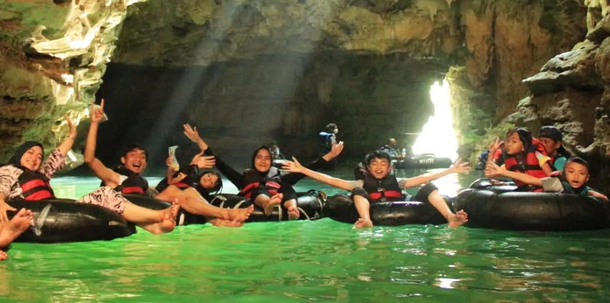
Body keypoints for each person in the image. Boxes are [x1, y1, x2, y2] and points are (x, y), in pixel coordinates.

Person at [0, 111, 179, 235]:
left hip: (52, 206)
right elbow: (0, 185)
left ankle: (153, 226)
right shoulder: (9, 170)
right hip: (29, 209)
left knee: (105, 194)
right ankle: (158, 216)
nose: (35, 158)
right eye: (30, 153)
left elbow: (56, 157)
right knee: (105, 192)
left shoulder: (41, 174)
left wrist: (72, 135)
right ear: (19, 154)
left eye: (38, 155)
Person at [84, 103, 253, 227]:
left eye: (142, 156)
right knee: (175, 191)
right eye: (133, 155)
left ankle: (216, 220)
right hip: (130, 207)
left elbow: (166, 187)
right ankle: (223, 213)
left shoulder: (142, 183)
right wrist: (94, 124)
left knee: (189, 191)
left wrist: (180, 168)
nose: (138, 158)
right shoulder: (114, 177)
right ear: (123, 160)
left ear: (145, 165)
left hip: (147, 204)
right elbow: (89, 159)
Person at [185, 124, 343, 219]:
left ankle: (292, 208)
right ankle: (268, 204)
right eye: (259, 157)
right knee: (258, 189)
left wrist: (331, 155)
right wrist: (198, 140)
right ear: (253, 160)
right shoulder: (243, 179)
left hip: (281, 194)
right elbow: (219, 163)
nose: (263, 160)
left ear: (271, 162)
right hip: (257, 198)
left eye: (267, 158)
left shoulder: (279, 178)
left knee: (286, 187)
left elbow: (309, 168)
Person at [283, 150, 470, 229]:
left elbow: (425, 178)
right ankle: (366, 220)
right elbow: (331, 180)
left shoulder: (399, 182)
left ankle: (450, 217)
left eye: (383, 164)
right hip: (372, 211)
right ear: (368, 168)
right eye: (375, 164)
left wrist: (451, 170)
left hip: (401, 205)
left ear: (389, 168)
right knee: (357, 191)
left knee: (429, 187)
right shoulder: (361, 184)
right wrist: (303, 170)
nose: (379, 167)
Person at [485, 127, 553, 190]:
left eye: (514, 141)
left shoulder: (539, 156)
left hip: (542, 192)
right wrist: (492, 152)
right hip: (526, 193)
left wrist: (504, 173)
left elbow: (551, 180)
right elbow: (489, 173)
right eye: (508, 141)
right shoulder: (511, 162)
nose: (509, 144)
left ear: (523, 146)